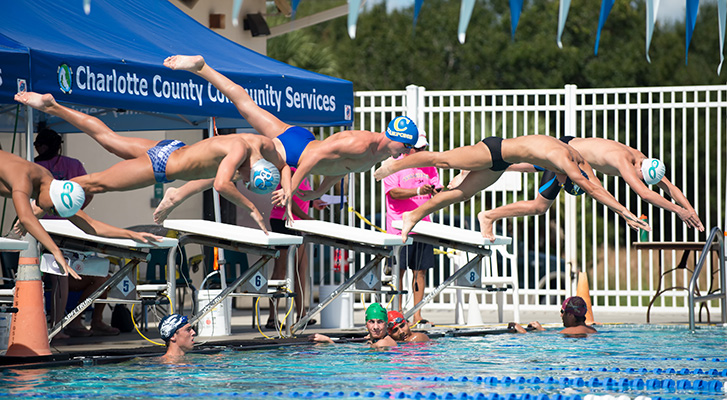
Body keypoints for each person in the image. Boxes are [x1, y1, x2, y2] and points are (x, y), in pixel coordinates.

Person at [153, 55, 417, 223]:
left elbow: (341, 167)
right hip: (293, 150)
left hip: (299, 140)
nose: (406, 152)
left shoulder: (380, 154)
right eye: (406, 146)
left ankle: (203, 68)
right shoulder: (361, 142)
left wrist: (319, 191)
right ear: (394, 137)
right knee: (231, 170)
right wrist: (290, 189)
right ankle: (178, 194)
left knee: (247, 106)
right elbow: (313, 157)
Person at [15, 91, 292, 234]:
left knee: (109, 139)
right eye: (246, 179)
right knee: (95, 184)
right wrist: (252, 207)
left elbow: (285, 165)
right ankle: (40, 203)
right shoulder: (239, 151)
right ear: (252, 169)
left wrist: (287, 192)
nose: (241, 179)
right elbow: (220, 185)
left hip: (170, 149)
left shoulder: (263, 144)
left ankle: (54, 107)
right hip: (161, 166)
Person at [373, 135, 650, 242]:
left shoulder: (582, 162)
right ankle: (392, 166)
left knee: (462, 193)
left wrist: (625, 213)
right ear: (568, 176)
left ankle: (412, 216)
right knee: (441, 159)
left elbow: (599, 190)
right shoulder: (565, 162)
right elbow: (590, 190)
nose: (563, 183)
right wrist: (626, 213)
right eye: (567, 183)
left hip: (503, 163)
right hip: (495, 150)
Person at [478, 136, 704, 240]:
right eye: (641, 178)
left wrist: (690, 211)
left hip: (569, 153)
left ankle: (475, 169)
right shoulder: (624, 161)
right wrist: (678, 212)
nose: (640, 181)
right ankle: (488, 216)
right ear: (640, 170)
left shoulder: (643, 161)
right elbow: (645, 194)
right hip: (565, 155)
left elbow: (670, 187)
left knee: (516, 164)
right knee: (538, 205)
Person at [0, 149, 161, 280]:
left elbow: (91, 226)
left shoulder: (50, 186)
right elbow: (26, 218)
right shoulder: (23, 176)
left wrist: (131, 235)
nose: (52, 213)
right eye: (54, 210)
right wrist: (56, 251)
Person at [32, 128, 119, 338]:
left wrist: (74, 215)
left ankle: (81, 321)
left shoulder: (39, 166)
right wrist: (74, 213)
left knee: (103, 277)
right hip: (49, 237)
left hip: (69, 234)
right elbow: (88, 194)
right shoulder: (45, 166)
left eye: (39, 145)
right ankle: (60, 325)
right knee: (59, 276)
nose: (37, 149)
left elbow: (88, 193)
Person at [383, 132, 439, 325]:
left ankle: (417, 315)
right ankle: (397, 314)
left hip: (423, 227)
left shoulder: (430, 165)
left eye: (424, 148)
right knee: (398, 271)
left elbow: (437, 189)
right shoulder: (392, 164)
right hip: (399, 227)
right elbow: (394, 193)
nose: (422, 151)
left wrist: (438, 191)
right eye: (419, 148)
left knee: (420, 271)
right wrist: (417, 191)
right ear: (409, 147)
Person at [266, 169, 326, 329]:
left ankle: (301, 314)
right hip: (283, 220)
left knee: (301, 268)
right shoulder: (290, 171)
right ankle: (272, 316)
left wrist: (313, 203)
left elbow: (300, 197)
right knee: (281, 270)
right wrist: (308, 219)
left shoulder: (304, 173)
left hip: (295, 222)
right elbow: (287, 198)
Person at [309, 303, 397, 348]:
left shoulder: (382, 343)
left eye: (380, 322)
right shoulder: (376, 340)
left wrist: (328, 340)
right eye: (371, 322)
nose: (375, 327)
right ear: (366, 324)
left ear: (386, 324)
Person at [510, 296, 596, 335]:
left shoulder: (568, 332)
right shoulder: (593, 331)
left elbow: (550, 340)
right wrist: (542, 330)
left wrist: (523, 332)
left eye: (562, 311)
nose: (561, 315)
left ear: (570, 315)